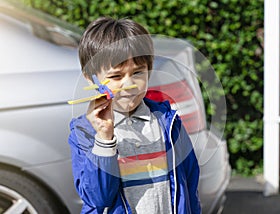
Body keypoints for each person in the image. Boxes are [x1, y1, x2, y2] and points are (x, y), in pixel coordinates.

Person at [68, 16, 201, 214]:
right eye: (116, 76)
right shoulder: (85, 132)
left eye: (138, 72)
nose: (129, 84)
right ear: (91, 78)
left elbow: (190, 181)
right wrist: (104, 139)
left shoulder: (168, 122)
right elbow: (98, 198)